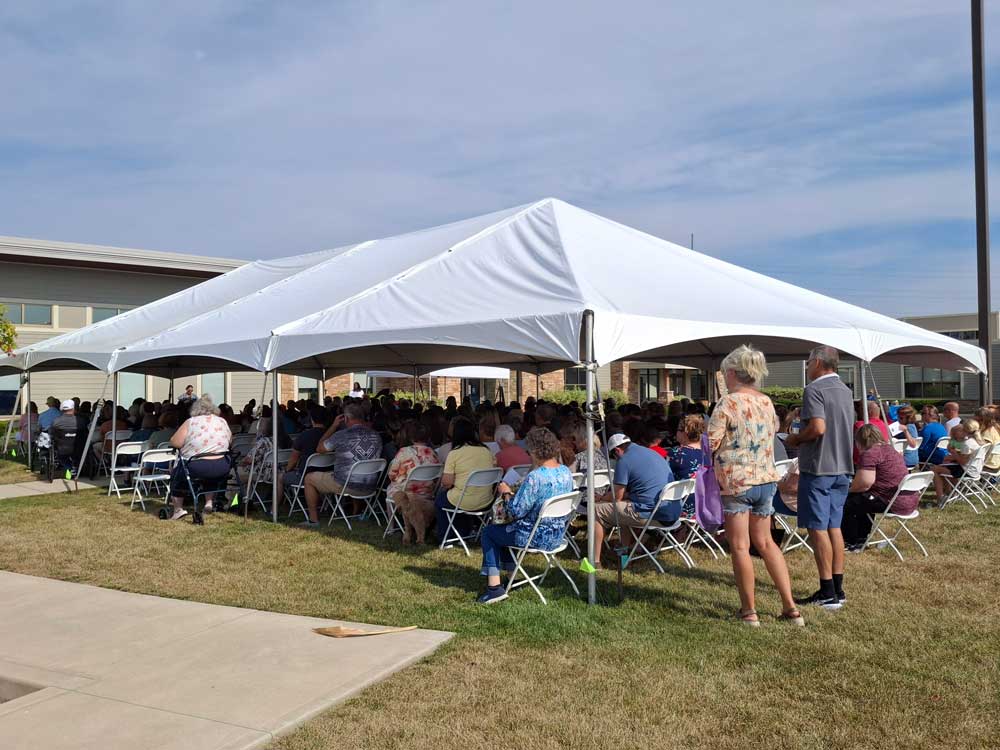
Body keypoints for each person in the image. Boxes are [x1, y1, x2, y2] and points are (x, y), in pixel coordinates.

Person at [708, 345, 801, 627]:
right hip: (765, 479)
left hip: (736, 481)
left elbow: (710, 442)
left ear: (732, 373)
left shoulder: (727, 403)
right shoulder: (766, 401)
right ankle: (790, 606)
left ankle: (749, 610)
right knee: (766, 542)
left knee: (740, 546)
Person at [785, 345, 855, 610]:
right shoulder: (846, 391)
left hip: (818, 467)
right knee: (834, 526)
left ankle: (827, 591)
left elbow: (818, 427)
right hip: (843, 467)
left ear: (817, 362)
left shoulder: (814, 390)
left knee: (817, 528)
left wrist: (796, 438)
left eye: (807, 362)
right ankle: (837, 588)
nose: (806, 367)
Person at [475, 427, 574, 604]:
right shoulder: (565, 472)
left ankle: (494, 588)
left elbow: (515, 511)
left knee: (490, 532)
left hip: (533, 537)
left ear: (535, 451)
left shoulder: (535, 477)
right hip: (557, 536)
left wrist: (506, 492)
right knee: (502, 531)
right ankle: (512, 576)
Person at [592, 432, 674, 567]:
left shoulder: (624, 460)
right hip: (670, 512)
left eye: (614, 456)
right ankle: (623, 556)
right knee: (624, 509)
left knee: (596, 510)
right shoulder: (651, 452)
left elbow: (616, 497)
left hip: (652, 513)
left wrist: (601, 498)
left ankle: (595, 561)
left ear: (617, 451)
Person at [300, 402, 382, 526]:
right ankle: (356, 512)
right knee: (353, 471)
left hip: (345, 484)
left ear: (346, 418)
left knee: (309, 478)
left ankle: (313, 520)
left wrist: (333, 427)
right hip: (370, 486)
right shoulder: (376, 436)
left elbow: (320, 449)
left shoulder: (341, 435)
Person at [842, 425, 916, 549]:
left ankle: (851, 540)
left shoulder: (870, 453)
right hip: (909, 501)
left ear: (860, 441)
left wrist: (847, 490)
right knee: (863, 500)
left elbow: (865, 484)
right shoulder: (891, 450)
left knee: (845, 502)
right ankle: (861, 537)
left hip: (893, 502)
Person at [167, 395, 233, 520]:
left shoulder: (191, 422)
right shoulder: (222, 421)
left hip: (197, 466)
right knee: (210, 472)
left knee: (178, 473)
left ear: (195, 409)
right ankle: (209, 502)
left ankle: (178, 509)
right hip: (222, 466)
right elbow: (230, 441)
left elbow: (175, 442)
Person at [435, 417, 496, 541]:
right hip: (486, 500)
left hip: (462, 501)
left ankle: (445, 537)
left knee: (440, 499)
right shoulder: (486, 451)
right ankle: (465, 531)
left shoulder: (454, 453)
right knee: (458, 495)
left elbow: (447, 483)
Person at [386, 421, 441, 545]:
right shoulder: (433, 453)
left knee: (390, 489)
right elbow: (437, 477)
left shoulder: (403, 451)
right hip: (427, 492)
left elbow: (391, 474)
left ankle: (391, 527)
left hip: (406, 492)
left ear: (410, 437)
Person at [931, 419, 982, 503]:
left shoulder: (968, 443)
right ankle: (950, 492)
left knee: (934, 469)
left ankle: (941, 497)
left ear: (965, 430)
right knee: (944, 466)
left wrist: (953, 452)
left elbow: (962, 462)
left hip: (966, 471)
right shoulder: (979, 441)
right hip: (975, 470)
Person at [282, 406, 327, 493]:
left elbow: (293, 460)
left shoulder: (304, 435)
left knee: (279, 477)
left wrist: (286, 471)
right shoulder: (332, 435)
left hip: (304, 476)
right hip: (325, 475)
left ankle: (276, 505)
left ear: (311, 419)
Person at [50, 399, 86, 473]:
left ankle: (68, 467)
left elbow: (51, 433)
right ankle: (75, 466)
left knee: (62, 457)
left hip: (62, 449)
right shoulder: (81, 421)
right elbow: (86, 433)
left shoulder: (56, 421)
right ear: (73, 409)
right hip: (78, 448)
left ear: (62, 409)